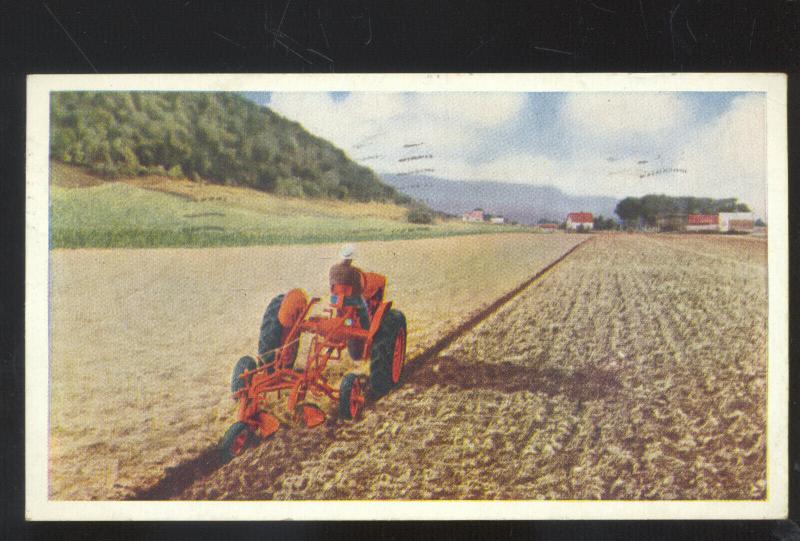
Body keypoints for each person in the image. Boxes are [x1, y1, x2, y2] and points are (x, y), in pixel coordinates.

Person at [329, 244, 370, 329]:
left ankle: (342, 319)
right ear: (351, 259)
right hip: (349, 300)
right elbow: (358, 289)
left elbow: (331, 285)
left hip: (335, 299)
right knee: (364, 307)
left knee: (341, 308)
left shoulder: (333, 268)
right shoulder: (354, 271)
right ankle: (366, 328)